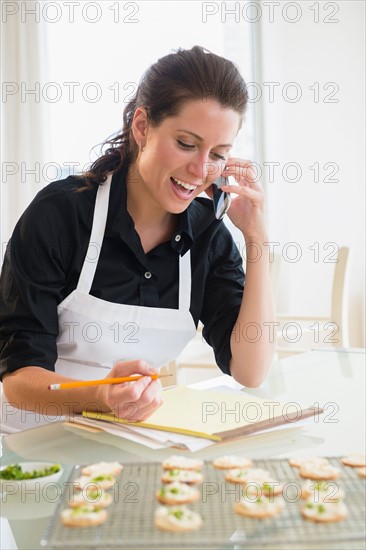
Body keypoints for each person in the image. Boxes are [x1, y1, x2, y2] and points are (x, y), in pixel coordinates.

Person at [0, 46, 275, 433]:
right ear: (142, 126)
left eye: (218, 153)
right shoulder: (61, 215)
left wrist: (256, 237)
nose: (200, 170)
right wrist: (101, 397)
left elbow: (251, 371)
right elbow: (18, 382)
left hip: (128, 443)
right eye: (186, 143)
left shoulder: (208, 235)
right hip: (32, 449)